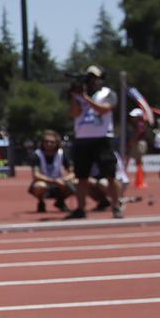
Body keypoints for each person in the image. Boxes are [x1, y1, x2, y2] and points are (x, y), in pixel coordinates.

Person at [67, 65, 123, 219]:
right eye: (89, 77)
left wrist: (85, 98)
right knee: (82, 176)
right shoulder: (79, 95)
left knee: (110, 175)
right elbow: (74, 113)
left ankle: (117, 206)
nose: (91, 81)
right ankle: (80, 208)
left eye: (94, 77)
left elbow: (104, 110)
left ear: (101, 79)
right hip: (82, 139)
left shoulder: (107, 93)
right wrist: (74, 96)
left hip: (102, 138)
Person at [28, 130, 76, 213]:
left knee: (76, 183)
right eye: (46, 142)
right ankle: (41, 202)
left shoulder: (61, 154)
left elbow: (72, 172)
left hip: (60, 182)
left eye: (52, 142)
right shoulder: (37, 154)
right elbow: (36, 174)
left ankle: (60, 201)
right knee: (40, 186)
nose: (48, 144)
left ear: (57, 143)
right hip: (45, 182)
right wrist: (53, 181)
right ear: (42, 143)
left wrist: (65, 179)